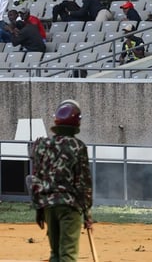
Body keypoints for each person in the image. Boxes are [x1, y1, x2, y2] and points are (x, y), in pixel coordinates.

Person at [29, 100, 93, 262]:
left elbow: (36, 178)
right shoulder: (78, 146)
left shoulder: (42, 145)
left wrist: (39, 209)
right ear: (76, 122)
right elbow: (83, 183)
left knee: (55, 253)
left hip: (48, 206)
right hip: (69, 206)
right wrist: (87, 214)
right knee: (68, 254)